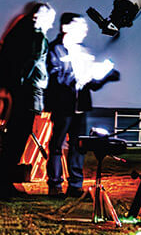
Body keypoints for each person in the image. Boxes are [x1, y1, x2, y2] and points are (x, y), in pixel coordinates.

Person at [46, 13, 119, 197]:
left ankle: (75, 185)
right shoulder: (55, 50)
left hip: (81, 106)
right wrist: (78, 79)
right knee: (57, 145)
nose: (85, 30)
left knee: (79, 145)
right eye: (81, 26)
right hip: (63, 105)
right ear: (65, 28)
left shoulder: (83, 50)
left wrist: (106, 75)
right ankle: (55, 184)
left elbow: (92, 84)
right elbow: (54, 77)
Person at [0, 1, 56, 200]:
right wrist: (23, 88)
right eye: (51, 20)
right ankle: (5, 186)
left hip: (21, 92)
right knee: (17, 139)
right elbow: (28, 65)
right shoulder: (37, 38)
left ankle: (5, 183)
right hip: (28, 93)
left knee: (14, 139)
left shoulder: (20, 33)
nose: (52, 25)